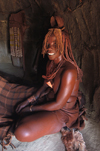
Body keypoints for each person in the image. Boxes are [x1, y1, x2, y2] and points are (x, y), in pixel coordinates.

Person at [14, 25, 85, 142]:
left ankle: (55, 125)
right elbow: (46, 85)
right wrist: (28, 101)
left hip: (63, 112)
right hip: (49, 100)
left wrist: (31, 108)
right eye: (48, 44)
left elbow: (58, 104)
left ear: (64, 45)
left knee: (21, 132)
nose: (49, 49)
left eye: (55, 44)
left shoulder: (69, 71)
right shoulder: (51, 63)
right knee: (18, 107)